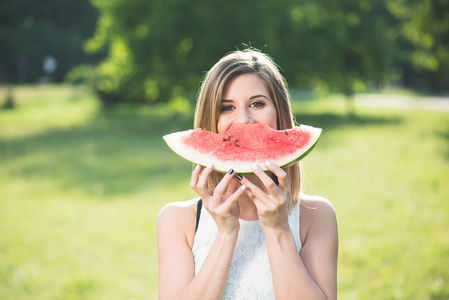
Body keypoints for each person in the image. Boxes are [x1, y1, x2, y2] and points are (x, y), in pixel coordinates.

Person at [157, 49, 338, 300]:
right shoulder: (178, 220)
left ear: (280, 115)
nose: (243, 120)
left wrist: (278, 229)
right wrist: (226, 234)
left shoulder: (316, 216)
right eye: (226, 107)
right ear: (210, 122)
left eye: (257, 104)